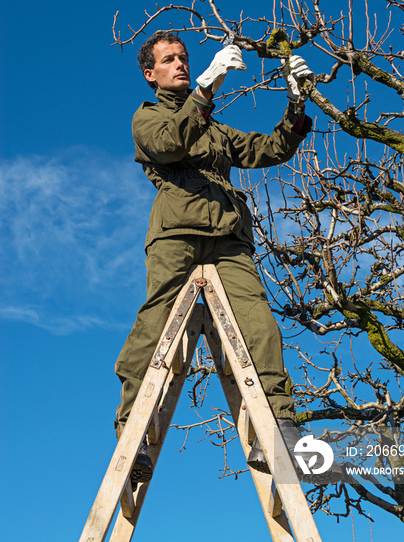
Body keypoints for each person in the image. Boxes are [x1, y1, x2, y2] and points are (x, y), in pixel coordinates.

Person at [114, 31, 314, 485]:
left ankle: (279, 425)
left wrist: (297, 103)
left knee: (259, 323)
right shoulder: (146, 118)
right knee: (155, 325)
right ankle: (134, 431)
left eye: (184, 57)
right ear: (151, 74)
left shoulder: (215, 127)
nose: (181, 64)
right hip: (177, 235)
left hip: (228, 237)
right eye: (170, 60)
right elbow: (169, 144)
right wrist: (205, 90)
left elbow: (270, 149)